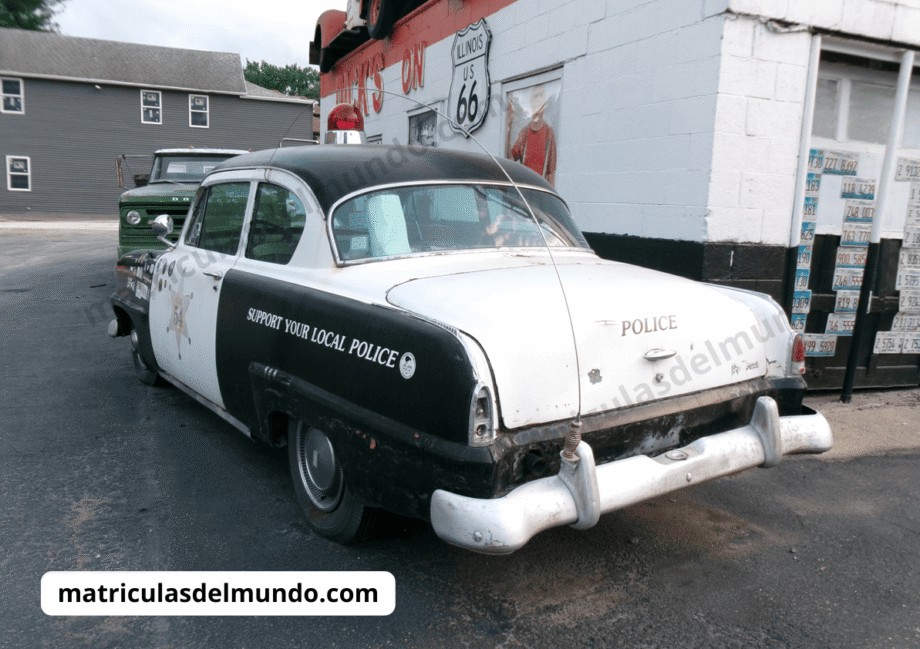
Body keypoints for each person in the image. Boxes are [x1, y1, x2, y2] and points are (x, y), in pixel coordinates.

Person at [507, 84, 557, 186]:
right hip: (525, 191)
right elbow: (510, 160)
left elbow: (551, 172)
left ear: (545, 103)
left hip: (541, 194)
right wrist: (508, 127)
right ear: (531, 102)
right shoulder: (524, 133)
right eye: (535, 97)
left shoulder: (549, 133)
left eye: (541, 96)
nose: (538, 101)